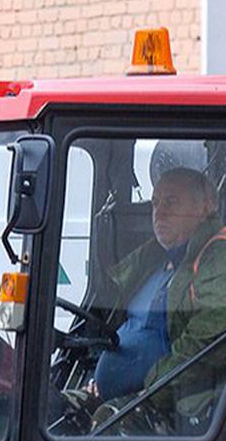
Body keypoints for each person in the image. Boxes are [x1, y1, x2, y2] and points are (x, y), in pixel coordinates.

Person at [91, 167, 226, 422]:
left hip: (172, 407)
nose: (159, 212)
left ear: (206, 206)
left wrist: (149, 390)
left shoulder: (218, 257)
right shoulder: (153, 258)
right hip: (120, 396)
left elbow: (204, 344)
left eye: (171, 202)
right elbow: (122, 324)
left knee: (94, 438)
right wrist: (99, 372)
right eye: (155, 203)